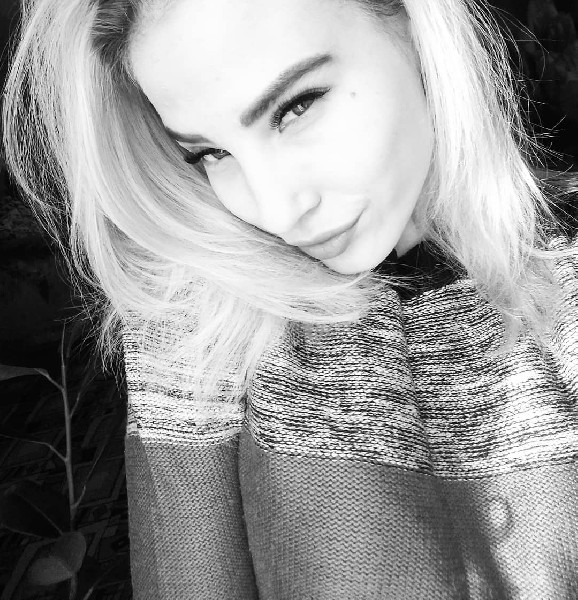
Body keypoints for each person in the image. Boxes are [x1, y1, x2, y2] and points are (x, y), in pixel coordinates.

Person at [3, 0, 578, 597]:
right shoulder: (200, 328)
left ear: (412, 22)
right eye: (209, 153)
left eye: (296, 107)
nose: (276, 211)